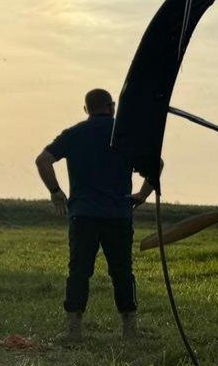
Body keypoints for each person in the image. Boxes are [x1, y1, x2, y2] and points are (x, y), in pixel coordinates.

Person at [35, 89, 156, 342]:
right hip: (118, 216)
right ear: (112, 107)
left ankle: (73, 330)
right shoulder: (126, 134)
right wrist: (142, 195)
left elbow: (43, 160)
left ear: (86, 109)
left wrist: (56, 192)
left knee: (79, 271)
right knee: (122, 271)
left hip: (83, 215)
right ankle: (129, 330)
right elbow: (157, 165)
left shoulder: (74, 134)